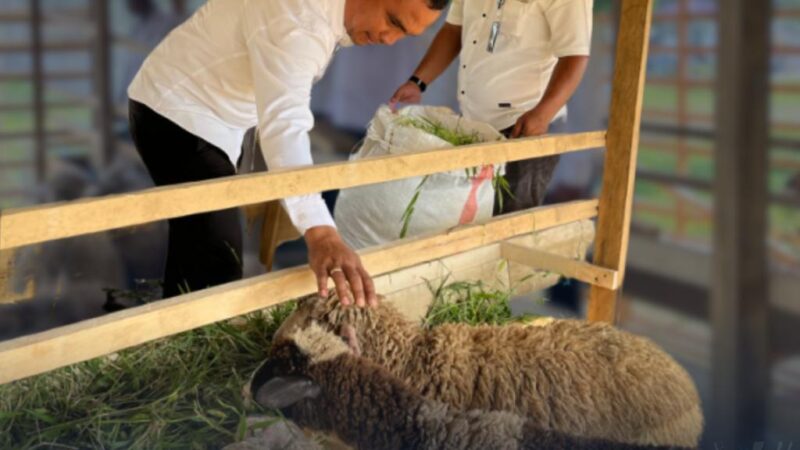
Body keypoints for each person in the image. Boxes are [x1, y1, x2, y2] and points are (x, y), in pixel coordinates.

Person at [127, 0, 446, 306]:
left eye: (404, 33)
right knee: (216, 264)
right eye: (392, 21)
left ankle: (169, 331)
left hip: (209, 113)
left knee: (197, 249)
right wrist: (321, 233)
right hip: (177, 114)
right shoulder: (296, 20)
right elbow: (284, 125)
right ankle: (185, 339)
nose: (390, 39)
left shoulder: (320, 18)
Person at [390, 0, 593, 213]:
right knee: (470, 218)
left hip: (523, 130)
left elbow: (575, 56)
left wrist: (542, 116)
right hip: (473, 125)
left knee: (508, 222)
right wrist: (418, 82)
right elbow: (453, 30)